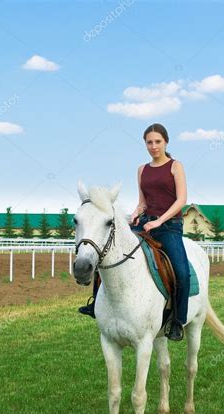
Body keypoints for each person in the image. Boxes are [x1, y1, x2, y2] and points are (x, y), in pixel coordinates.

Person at [78, 123, 190, 341]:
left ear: (166, 142)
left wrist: (160, 222)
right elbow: (143, 202)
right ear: (145, 144)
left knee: (182, 272)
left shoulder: (176, 166)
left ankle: (177, 320)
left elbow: (181, 200)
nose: (154, 146)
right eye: (149, 142)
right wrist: (136, 213)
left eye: (158, 141)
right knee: (107, 252)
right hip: (145, 223)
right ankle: (95, 305)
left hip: (169, 227)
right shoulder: (142, 170)